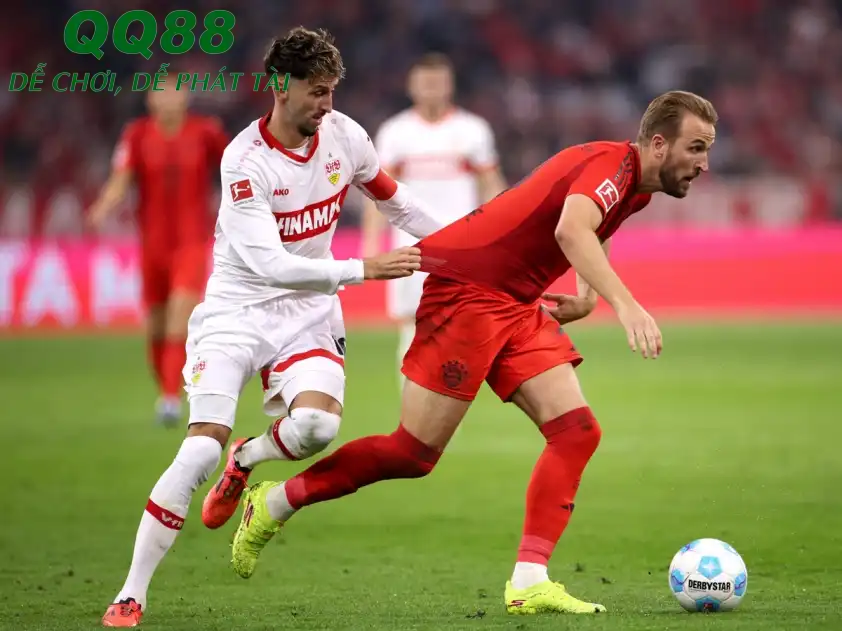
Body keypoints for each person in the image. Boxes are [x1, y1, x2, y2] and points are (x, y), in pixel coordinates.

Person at [225, 90, 719, 615]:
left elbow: (597, 225)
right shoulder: (612, 166)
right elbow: (572, 228)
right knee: (412, 454)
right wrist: (625, 305)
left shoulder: (634, 185)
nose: (704, 163)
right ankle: (275, 501)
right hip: (467, 290)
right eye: (696, 148)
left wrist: (588, 296)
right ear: (659, 144)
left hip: (514, 301)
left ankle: (529, 581)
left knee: (577, 431)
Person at [101, 27, 443, 628]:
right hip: (238, 311)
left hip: (307, 312)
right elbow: (272, 265)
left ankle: (248, 459)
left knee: (316, 427)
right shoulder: (245, 160)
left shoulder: (345, 136)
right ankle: (132, 592)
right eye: (317, 92)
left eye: (332, 91)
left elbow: (399, 203)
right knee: (199, 448)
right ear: (281, 87)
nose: (327, 104)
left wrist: (465, 248)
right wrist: (364, 268)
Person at [88, 72, 229, 426]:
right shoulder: (136, 134)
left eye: (174, 92)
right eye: (161, 92)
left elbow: (234, 168)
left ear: (186, 97)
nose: (167, 98)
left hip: (191, 243)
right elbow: (121, 179)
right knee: (155, 328)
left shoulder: (206, 131)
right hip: (152, 245)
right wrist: (102, 207)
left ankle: (170, 399)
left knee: (180, 317)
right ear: (150, 99)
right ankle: (167, 386)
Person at [360, 53, 506, 384]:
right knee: (412, 324)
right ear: (412, 86)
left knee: (463, 324)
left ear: (449, 86)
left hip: (462, 242)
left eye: (437, 82)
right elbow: (377, 192)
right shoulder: (395, 132)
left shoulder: (472, 130)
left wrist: (502, 233)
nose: (431, 89)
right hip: (410, 245)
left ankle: (450, 395)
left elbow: (491, 184)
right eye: (425, 83)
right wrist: (371, 242)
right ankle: (411, 399)